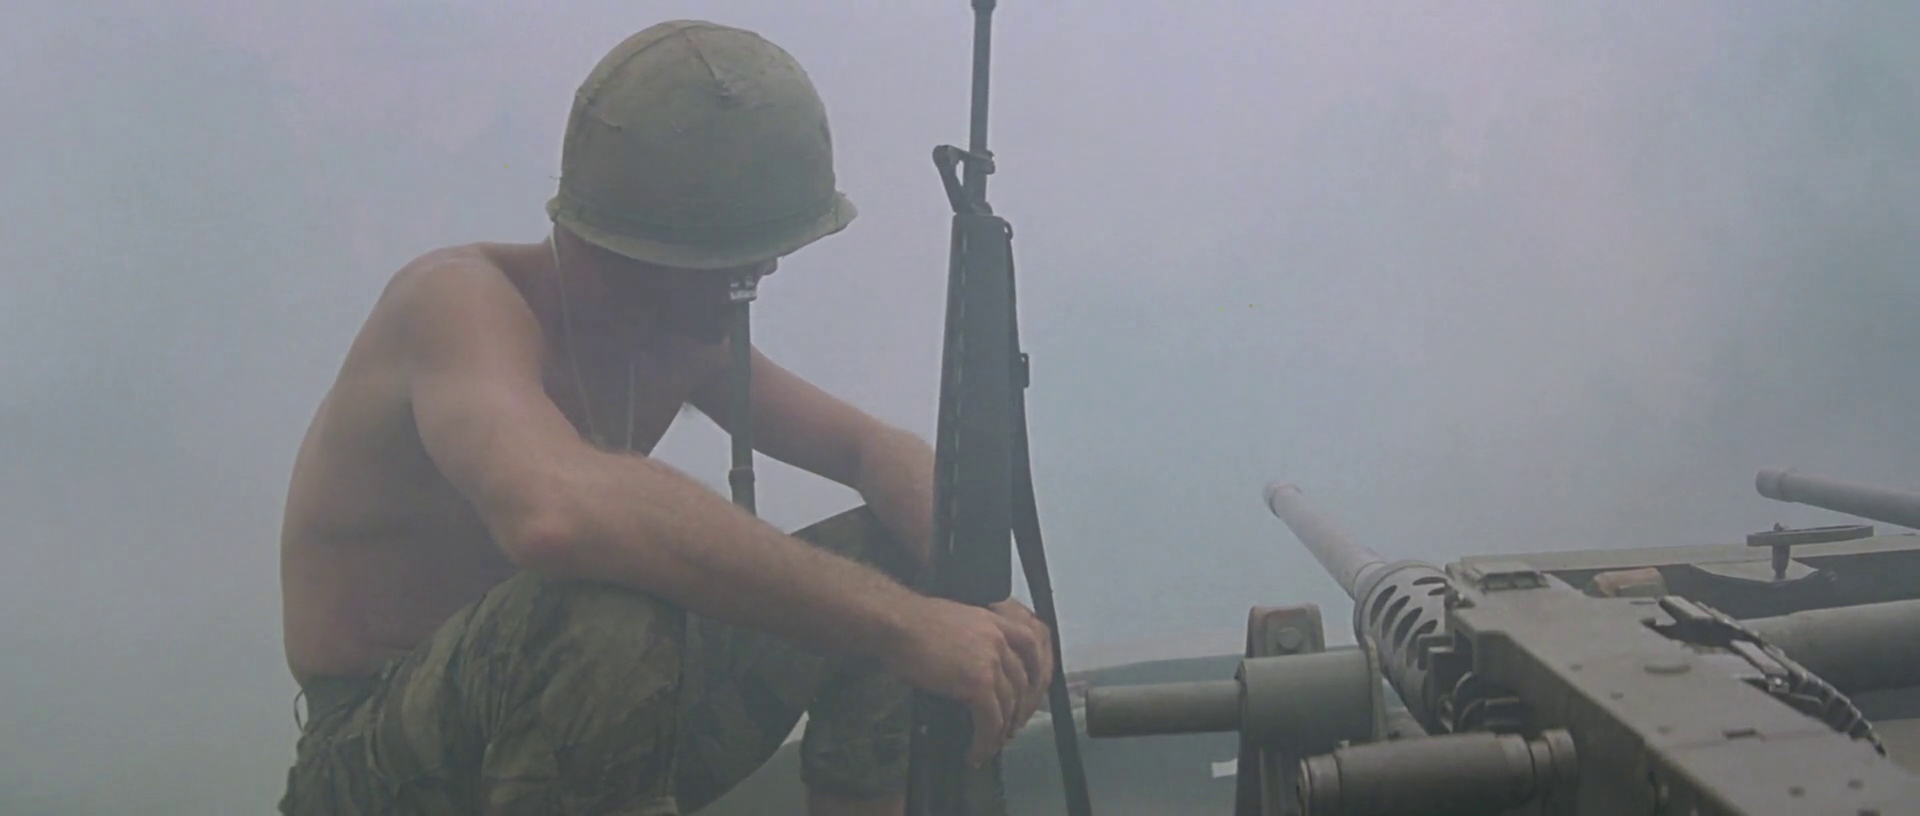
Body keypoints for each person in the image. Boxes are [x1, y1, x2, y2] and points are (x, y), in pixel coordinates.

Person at [275, 19, 1054, 816]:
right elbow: (553, 514)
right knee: (600, 608)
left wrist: (969, 592)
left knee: (892, 559)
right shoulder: (456, 303)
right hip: (378, 766)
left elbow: (869, 450)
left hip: (577, 737)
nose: (762, 273)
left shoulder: (673, 335)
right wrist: (902, 626)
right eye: (737, 264)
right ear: (646, 252)